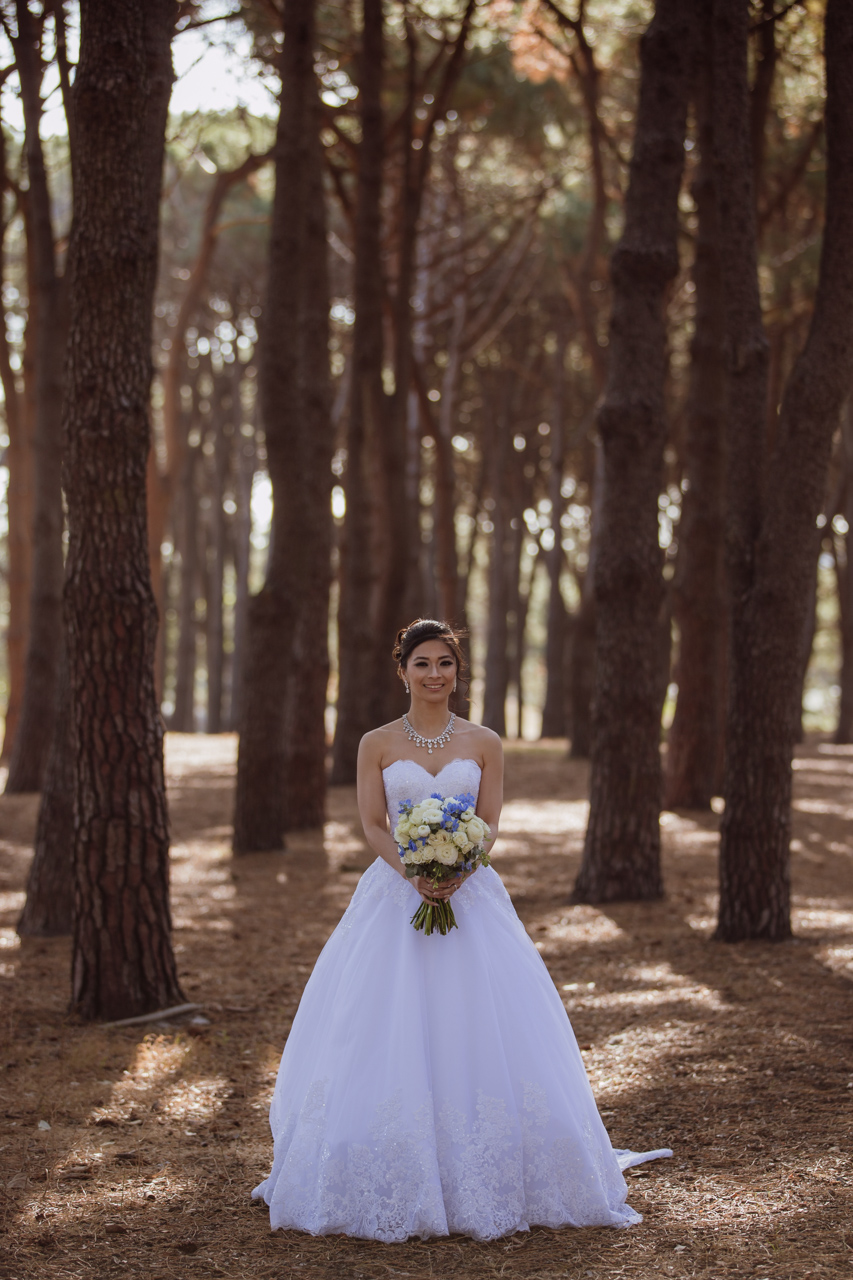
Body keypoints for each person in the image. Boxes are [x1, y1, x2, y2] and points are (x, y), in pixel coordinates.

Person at [252, 618, 671, 1241]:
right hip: (395, 895)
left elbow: (491, 820)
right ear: (403, 671)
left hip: (470, 894)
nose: (434, 675)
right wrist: (414, 873)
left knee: (479, 1022)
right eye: (422, 663)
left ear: (457, 672)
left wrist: (457, 866)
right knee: (384, 1024)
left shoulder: (485, 743)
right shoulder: (376, 743)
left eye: (444, 664)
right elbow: (371, 823)